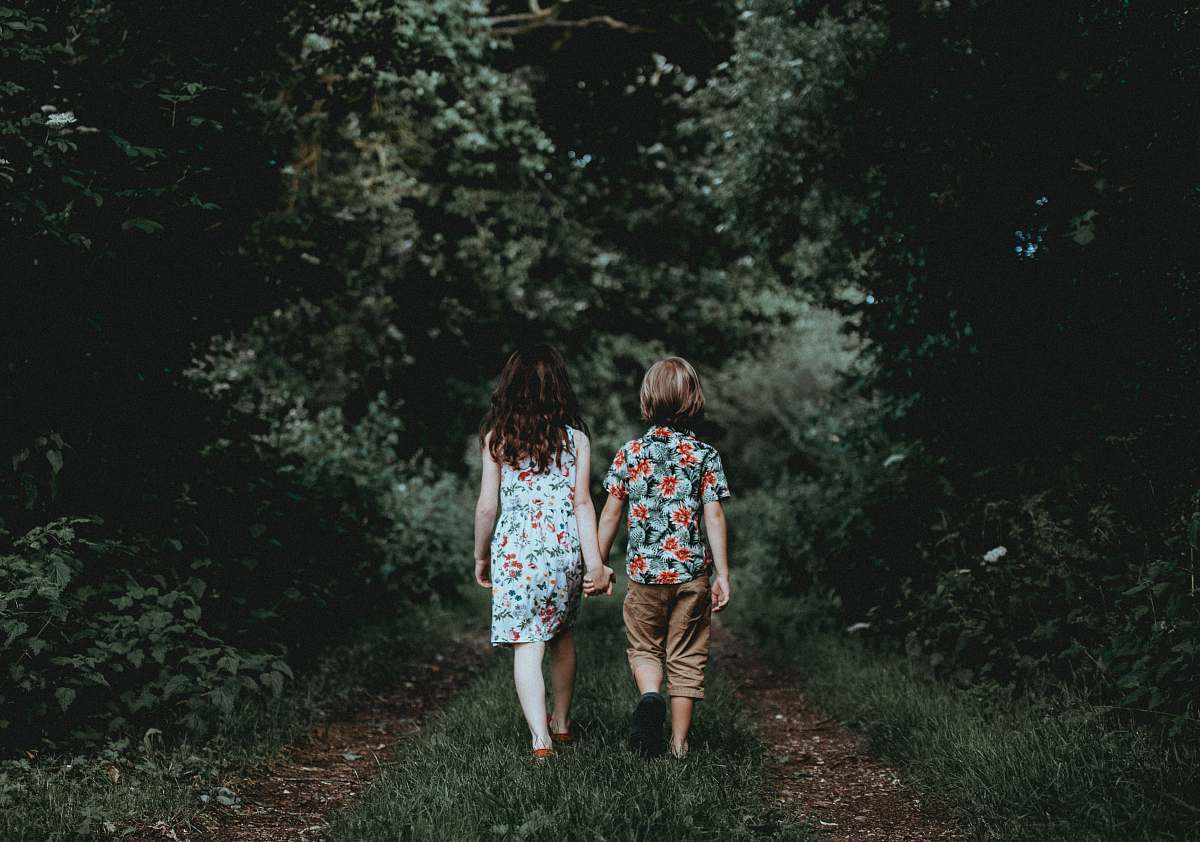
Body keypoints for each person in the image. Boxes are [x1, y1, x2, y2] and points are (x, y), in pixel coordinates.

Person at [473, 344, 614, 760]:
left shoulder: (497, 438)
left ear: (510, 389)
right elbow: (583, 503)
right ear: (559, 389)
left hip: (515, 551)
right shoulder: (576, 441)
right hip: (562, 550)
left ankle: (540, 740)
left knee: (527, 644)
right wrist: (594, 564)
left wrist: (481, 555)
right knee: (562, 636)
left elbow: (487, 505)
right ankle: (564, 723)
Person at [593, 356, 731, 758]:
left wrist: (599, 564)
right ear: (693, 399)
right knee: (687, 655)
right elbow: (715, 515)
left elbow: (611, 513)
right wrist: (722, 573)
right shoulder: (704, 455)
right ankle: (679, 744)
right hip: (691, 575)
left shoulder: (631, 453)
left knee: (645, 648)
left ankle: (651, 696)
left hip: (644, 576)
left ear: (647, 398)